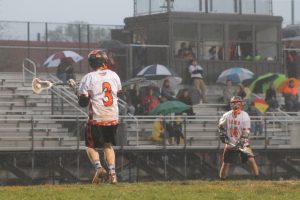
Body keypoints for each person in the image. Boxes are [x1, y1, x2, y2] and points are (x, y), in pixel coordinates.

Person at [69, 49, 121, 184]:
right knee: (108, 146)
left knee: (90, 146)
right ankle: (113, 174)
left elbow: (83, 102)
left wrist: (75, 89)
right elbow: (118, 94)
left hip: (97, 117)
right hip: (113, 116)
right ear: (104, 60)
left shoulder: (88, 77)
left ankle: (99, 169)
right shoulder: (114, 75)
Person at [218, 96, 259, 180]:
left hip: (243, 143)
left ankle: (257, 178)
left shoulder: (245, 116)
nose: (235, 105)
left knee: (251, 160)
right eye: (234, 103)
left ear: (241, 104)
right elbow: (221, 126)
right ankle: (222, 180)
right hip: (230, 142)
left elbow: (246, 132)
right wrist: (223, 136)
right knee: (225, 162)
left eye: (237, 103)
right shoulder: (226, 115)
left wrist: (240, 143)